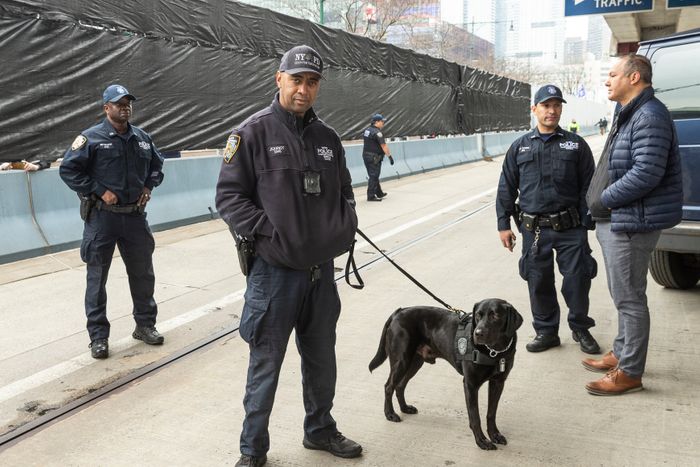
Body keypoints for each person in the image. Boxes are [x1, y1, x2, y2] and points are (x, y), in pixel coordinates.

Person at [215, 45, 362, 467]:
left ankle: (319, 430)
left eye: (312, 82)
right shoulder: (252, 133)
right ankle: (252, 450)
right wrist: (269, 233)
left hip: (321, 274)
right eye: (296, 80)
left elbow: (345, 191)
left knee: (321, 359)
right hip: (275, 276)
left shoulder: (328, 138)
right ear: (279, 79)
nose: (304, 89)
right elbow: (228, 198)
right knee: (266, 364)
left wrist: (343, 224)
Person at [583, 55, 683, 396]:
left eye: (613, 75)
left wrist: (604, 199)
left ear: (634, 77)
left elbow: (646, 173)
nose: (608, 81)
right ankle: (622, 352)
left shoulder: (649, 115)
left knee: (630, 299)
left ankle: (629, 372)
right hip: (619, 219)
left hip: (630, 221)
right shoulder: (630, 113)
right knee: (621, 294)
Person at [59, 84, 165, 360]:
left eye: (128, 102)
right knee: (97, 280)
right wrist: (97, 190)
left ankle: (145, 325)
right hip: (102, 219)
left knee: (143, 274)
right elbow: (68, 169)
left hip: (134, 218)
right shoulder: (90, 138)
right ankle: (98, 338)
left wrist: (148, 187)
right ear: (107, 108)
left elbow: (157, 166)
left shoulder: (142, 138)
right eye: (119, 103)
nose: (125, 107)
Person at [496, 84, 600, 355]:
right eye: (546, 105)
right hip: (534, 230)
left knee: (577, 280)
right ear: (534, 109)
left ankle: (580, 328)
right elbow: (506, 187)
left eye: (556, 105)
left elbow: (589, 186)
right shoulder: (519, 147)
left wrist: (585, 224)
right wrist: (503, 225)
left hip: (570, 228)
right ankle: (546, 331)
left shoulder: (576, 144)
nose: (552, 110)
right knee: (538, 281)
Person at [362, 113, 394, 202]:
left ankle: (379, 192)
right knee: (374, 175)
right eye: (382, 121)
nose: (383, 123)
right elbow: (383, 146)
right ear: (376, 122)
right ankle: (371, 196)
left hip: (366, 156)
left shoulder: (367, 130)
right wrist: (390, 156)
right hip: (374, 157)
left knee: (373, 175)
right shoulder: (377, 133)